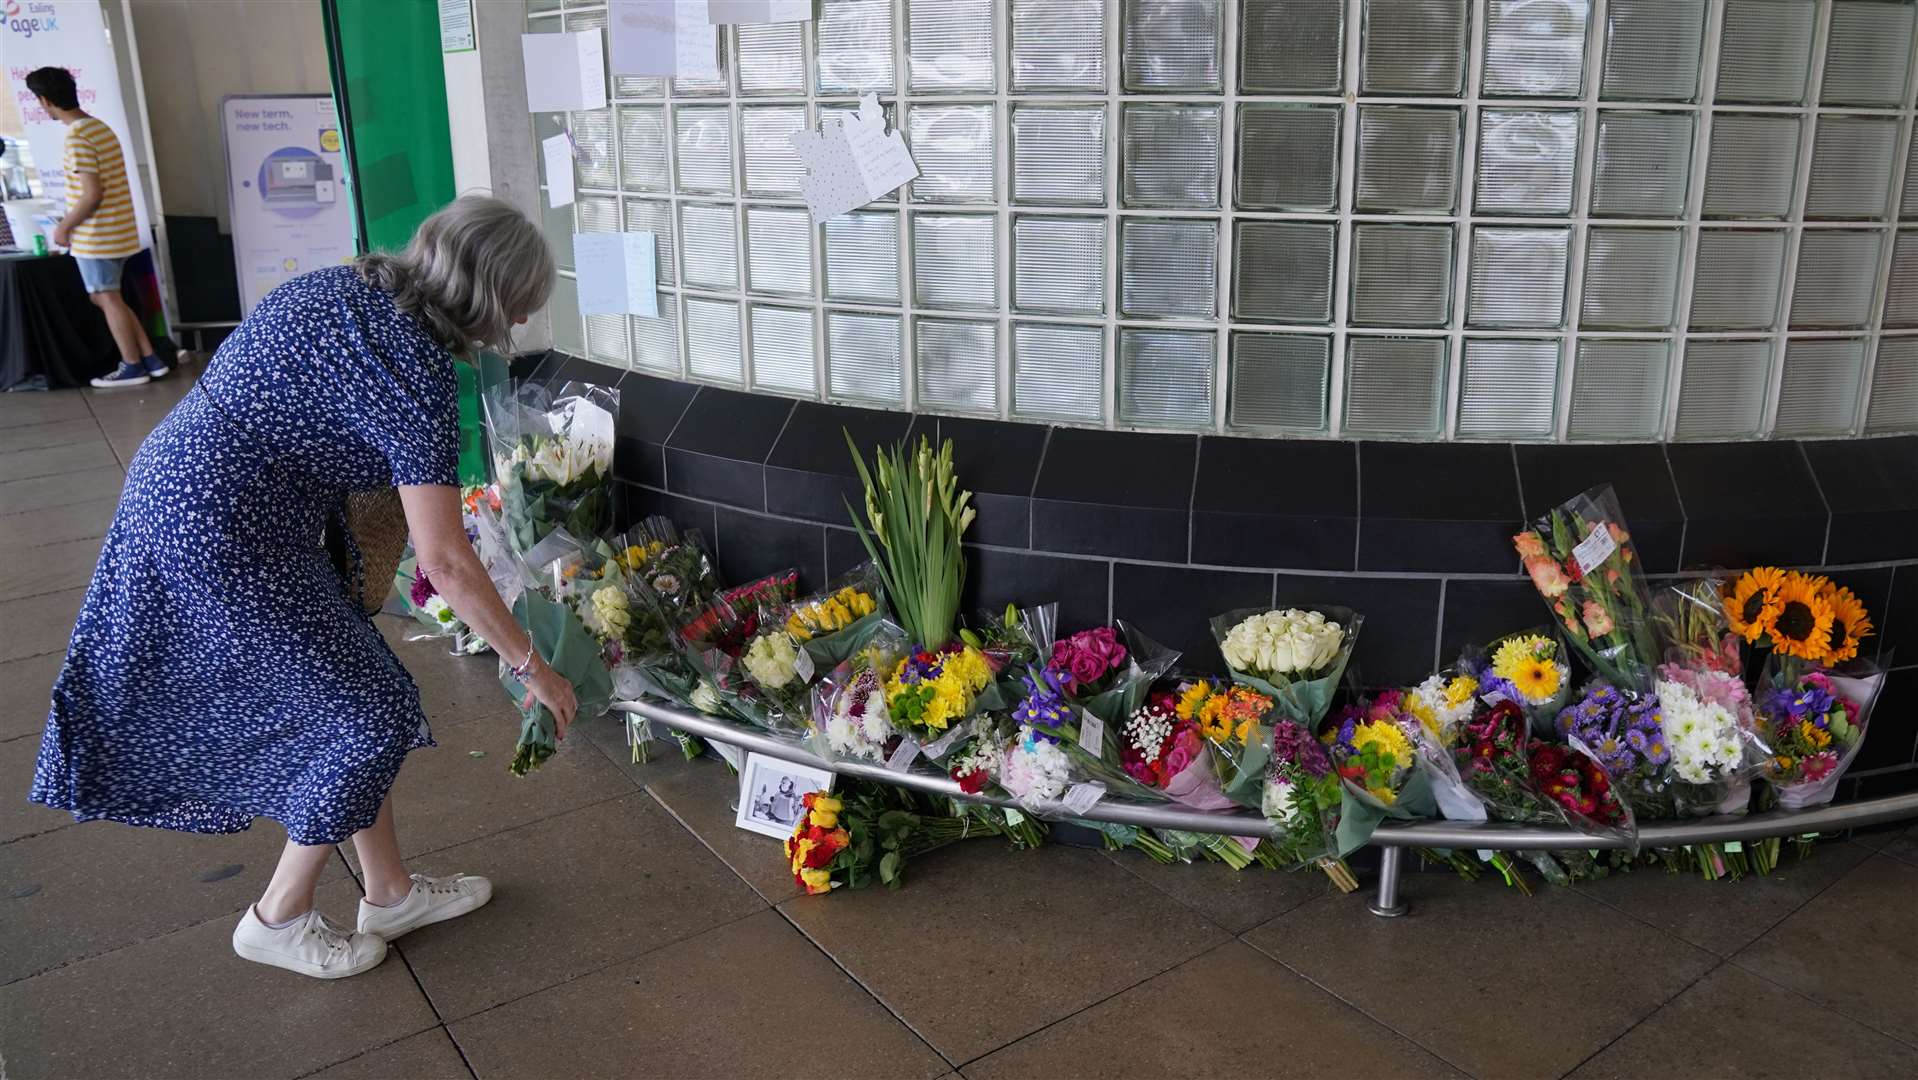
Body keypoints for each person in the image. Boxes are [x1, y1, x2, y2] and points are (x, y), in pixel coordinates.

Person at [29, 195, 578, 980]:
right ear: (493, 298)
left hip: (183, 490)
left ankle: (389, 892)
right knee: (371, 712)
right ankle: (277, 915)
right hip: (226, 534)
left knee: (349, 697)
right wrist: (532, 666)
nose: (521, 321)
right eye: (522, 304)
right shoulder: (415, 372)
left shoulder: (341, 285)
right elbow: (446, 560)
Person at [23, 66, 163, 389]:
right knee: (110, 297)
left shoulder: (77, 137)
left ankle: (132, 365)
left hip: (97, 236)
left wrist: (64, 228)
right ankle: (150, 358)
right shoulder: (100, 128)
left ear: (45, 101)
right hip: (117, 231)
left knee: (106, 298)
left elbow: (91, 193)